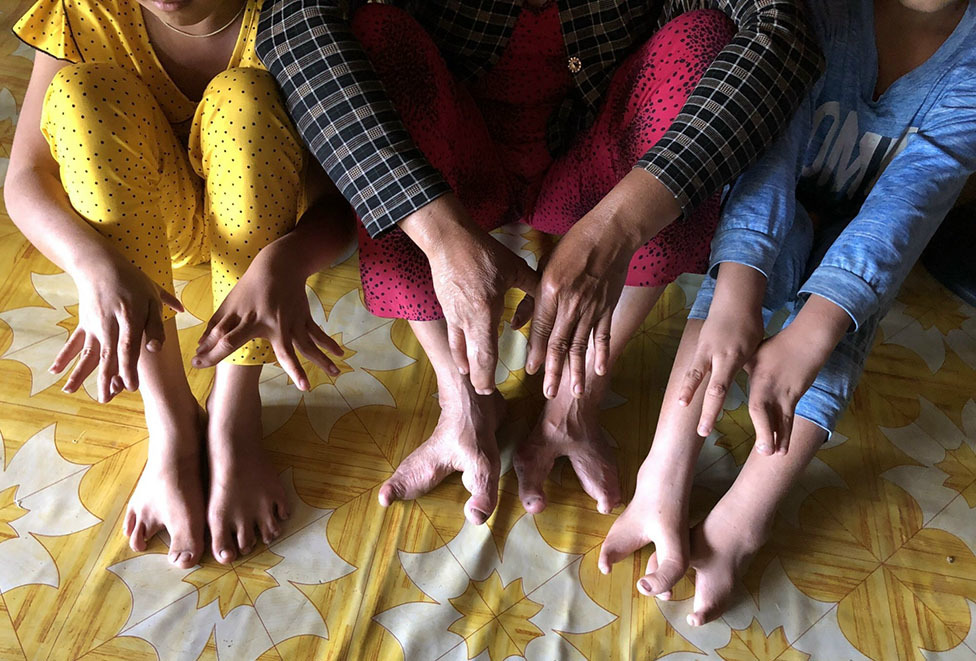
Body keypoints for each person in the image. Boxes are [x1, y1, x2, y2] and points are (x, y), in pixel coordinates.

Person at [226, 0, 822, 525]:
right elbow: (292, 23)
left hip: (595, 166)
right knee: (377, 35)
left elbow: (782, 28)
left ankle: (573, 407)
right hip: (456, 166)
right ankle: (464, 404)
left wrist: (616, 229)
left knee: (701, 38)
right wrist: (439, 233)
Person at [599, 0, 976, 626]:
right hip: (769, 199)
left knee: (848, 305)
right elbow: (770, 153)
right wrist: (737, 292)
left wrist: (812, 333)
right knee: (746, 276)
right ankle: (663, 470)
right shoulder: (820, 12)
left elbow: (906, 208)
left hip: (866, 228)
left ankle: (744, 520)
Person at [4, 0, 353, 569]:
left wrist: (288, 260)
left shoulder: (295, 12)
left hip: (266, 231)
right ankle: (170, 421)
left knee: (247, 96)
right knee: (80, 93)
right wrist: (90, 263)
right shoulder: (85, 10)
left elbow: (341, 194)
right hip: (151, 231)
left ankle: (234, 413)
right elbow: (25, 178)